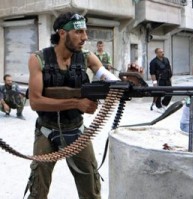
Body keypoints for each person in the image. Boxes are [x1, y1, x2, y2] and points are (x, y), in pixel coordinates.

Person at [25, 12, 143, 199]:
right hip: (47, 131)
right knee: (38, 190)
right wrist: (75, 103)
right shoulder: (39, 59)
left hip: (76, 130)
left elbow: (107, 78)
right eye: (79, 32)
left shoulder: (87, 57)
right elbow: (35, 101)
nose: (85, 37)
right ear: (63, 33)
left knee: (91, 190)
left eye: (85, 32)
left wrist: (128, 83)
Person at [149, 48, 173, 113]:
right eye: (160, 52)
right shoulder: (153, 62)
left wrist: (170, 78)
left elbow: (169, 69)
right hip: (159, 80)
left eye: (162, 51)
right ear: (156, 53)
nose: (162, 53)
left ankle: (164, 104)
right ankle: (158, 106)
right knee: (158, 93)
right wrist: (154, 82)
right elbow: (152, 73)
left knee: (170, 92)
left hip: (167, 79)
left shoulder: (166, 59)